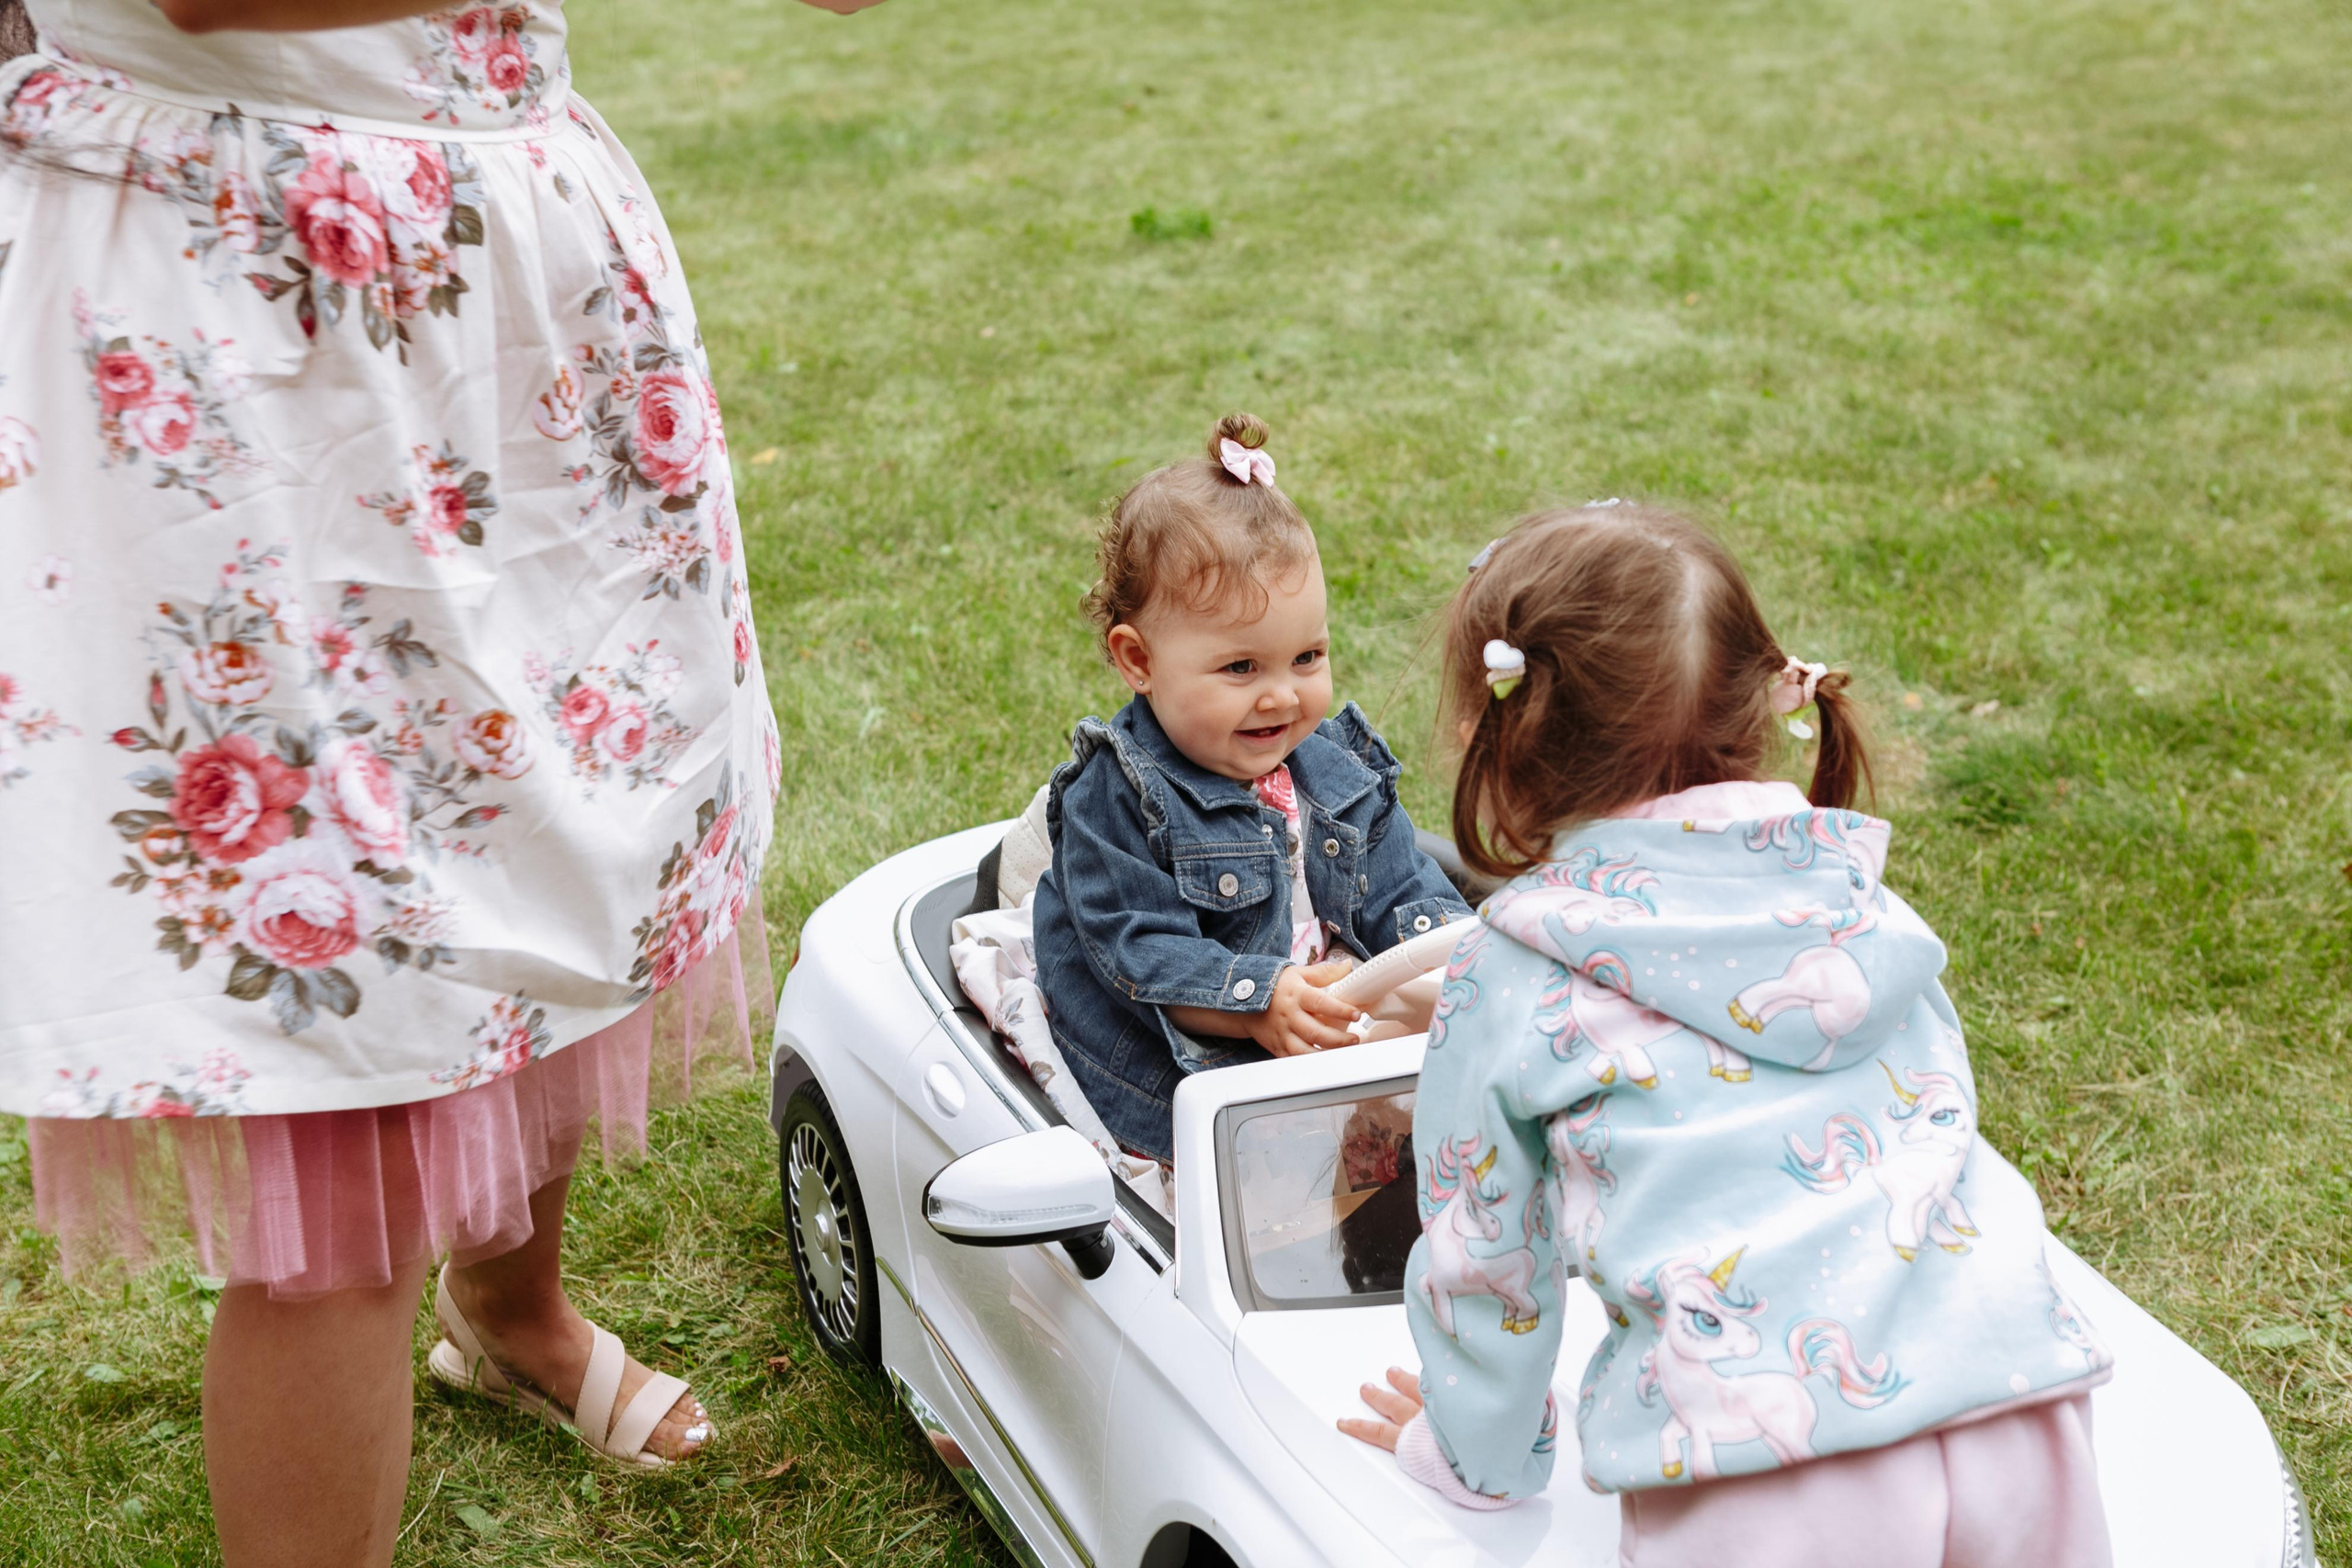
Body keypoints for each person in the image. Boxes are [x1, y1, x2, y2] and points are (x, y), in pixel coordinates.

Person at [0, 0, 876, 1562]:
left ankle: (512, 1313)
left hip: (493, 275)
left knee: (552, 859)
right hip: (262, 308)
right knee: (355, 1011)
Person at [1340, 504, 2114, 1567]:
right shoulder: (1860, 906)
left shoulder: (1507, 971)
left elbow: (1490, 1266)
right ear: (1757, 706)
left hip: (1765, 1468)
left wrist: (1474, 1461)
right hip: (2014, 1401)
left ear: (1499, 734)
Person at [1032, 413, 1472, 1167]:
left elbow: (1402, 887)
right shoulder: (1118, 796)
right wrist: (1259, 997)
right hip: (1186, 1038)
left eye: (1307, 656)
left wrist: (1458, 956)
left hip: (1322, 1003)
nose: (1281, 697)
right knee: (1270, 1169)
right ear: (1138, 660)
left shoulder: (1334, 766)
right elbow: (1143, 950)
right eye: (1241, 668)